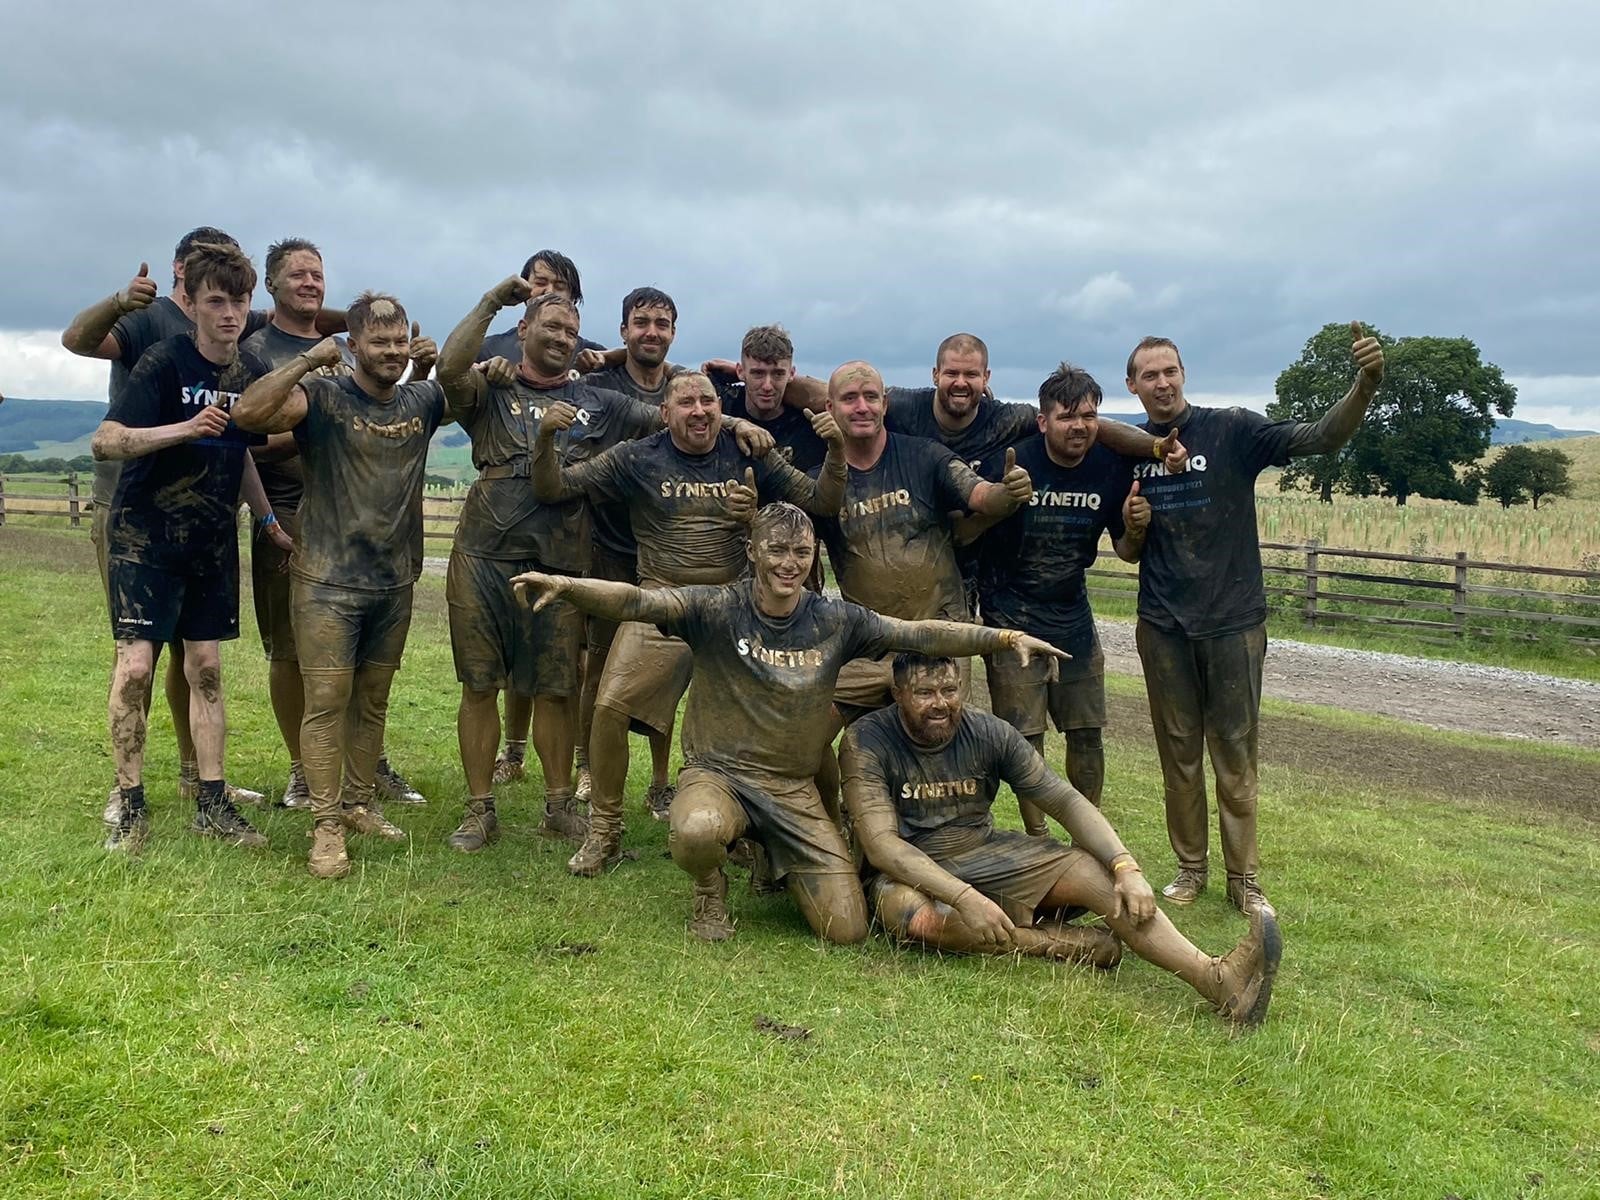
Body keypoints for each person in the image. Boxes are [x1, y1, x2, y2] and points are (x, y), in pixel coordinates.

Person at [510, 503, 1070, 943]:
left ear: (812, 557)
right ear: (753, 551)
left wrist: (1003, 638)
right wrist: (567, 586)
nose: (788, 563)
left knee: (846, 930)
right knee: (698, 829)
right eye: (776, 550)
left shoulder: (835, 619)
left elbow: (917, 633)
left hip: (794, 789)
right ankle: (711, 886)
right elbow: (637, 601)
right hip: (719, 776)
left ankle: (770, 856)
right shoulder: (716, 607)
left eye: (801, 552)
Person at [839, 653, 1283, 1026]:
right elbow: (883, 846)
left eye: (950, 691)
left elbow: (1065, 801)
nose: (941, 704)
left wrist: (1126, 866)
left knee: (1094, 873)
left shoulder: (989, 732)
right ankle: (1073, 944)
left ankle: (1216, 979)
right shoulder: (867, 740)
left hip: (986, 852)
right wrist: (963, 897)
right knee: (913, 917)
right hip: (912, 871)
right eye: (924, 694)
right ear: (898, 695)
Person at [531, 372, 845, 876]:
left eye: (708, 401)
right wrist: (546, 438)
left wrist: (831, 452)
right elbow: (556, 488)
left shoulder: (748, 451)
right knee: (609, 707)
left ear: (721, 407)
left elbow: (821, 502)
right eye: (686, 402)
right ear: (664, 412)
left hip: (739, 606)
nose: (699, 411)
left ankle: (757, 829)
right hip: (665, 602)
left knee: (776, 720)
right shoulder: (637, 457)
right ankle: (604, 829)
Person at [1125, 325, 1385, 914]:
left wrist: (1365, 385)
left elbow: (1321, 437)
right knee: (1178, 753)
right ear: (1133, 385)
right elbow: (1127, 548)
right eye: (1149, 375)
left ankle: (1243, 880)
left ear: (1183, 374)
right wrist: (1135, 527)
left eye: (1170, 371)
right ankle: (1191, 870)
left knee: (1236, 753)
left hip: (1233, 622)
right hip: (1162, 626)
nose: (1161, 383)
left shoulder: (1234, 429)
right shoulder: (1130, 450)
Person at [61, 226, 305, 812]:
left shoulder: (246, 372)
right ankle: (127, 799)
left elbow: (240, 450)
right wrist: (185, 429)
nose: (228, 313)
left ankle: (213, 802)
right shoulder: (161, 362)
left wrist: (269, 520)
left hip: (210, 538)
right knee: (139, 665)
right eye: (215, 301)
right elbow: (106, 440)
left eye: (239, 302)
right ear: (190, 303)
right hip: (143, 533)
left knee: (207, 667)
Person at [435, 278, 668, 850]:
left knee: (557, 688)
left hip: (563, 564)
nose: (563, 338)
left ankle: (559, 805)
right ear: (523, 330)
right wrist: (490, 301)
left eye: (570, 330)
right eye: (551, 327)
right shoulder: (490, 388)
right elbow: (447, 368)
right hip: (483, 555)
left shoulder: (600, 402)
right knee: (479, 684)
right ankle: (479, 808)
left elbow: (669, 417)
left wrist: (733, 423)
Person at [234, 293, 446, 880]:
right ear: (353, 345)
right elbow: (249, 415)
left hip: (394, 579)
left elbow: (467, 388)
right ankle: (325, 825)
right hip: (327, 580)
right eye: (379, 342)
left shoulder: (422, 398)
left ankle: (358, 802)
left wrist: (429, 364)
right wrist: (305, 362)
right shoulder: (323, 395)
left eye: (400, 341)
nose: (391, 352)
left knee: (373, 698)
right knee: (327, 703)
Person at [964, 363, 1149, 831]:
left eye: (1088, 416)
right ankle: (1039, 836)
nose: (1079, 426)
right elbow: (964, 532)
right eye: (1067, 417)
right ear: (1043, 421)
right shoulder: (1012, 462)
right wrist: (1003, 497)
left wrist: (1135, 528)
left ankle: (1088, 837)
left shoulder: (1110, 469)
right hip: (1011, 618)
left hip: (1073, 618)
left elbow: (1127, 553)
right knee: (1025, 741)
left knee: (1087, 734)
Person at [809, 360, 1034, 723]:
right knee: (807, 730)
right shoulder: (820, 483)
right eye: (850, 398)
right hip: (869, 644)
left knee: (949, 746)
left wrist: (1008, 492)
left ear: (885, 403)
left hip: (941, 635)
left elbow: (979, 495)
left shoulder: (925, 456)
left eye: (870, 397)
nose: (862, 407)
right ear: (829, 408)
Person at [569, 286, 685, 819]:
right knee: (598, 658)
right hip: (608, 543)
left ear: (673, 333)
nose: (652, 332)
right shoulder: (597, 386)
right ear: (623, 330)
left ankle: (661, 782)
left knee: (668, 668)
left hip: (667, 550)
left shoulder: (686, 388)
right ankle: (590, 768)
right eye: (642, 322)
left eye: (662, 323)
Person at [475, 249, 606, 370]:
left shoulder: (593, 356)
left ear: (573, 298)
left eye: (560, 286)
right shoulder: (489, 349)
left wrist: (610, 357)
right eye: (540, 283)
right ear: (523, 288)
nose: (549, 292)